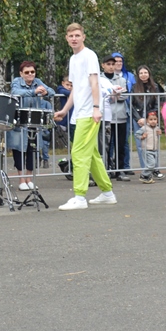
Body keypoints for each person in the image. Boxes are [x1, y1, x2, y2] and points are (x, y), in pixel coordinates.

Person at [53, 23, 116, 210]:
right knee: (92, 155)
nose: (74, 38)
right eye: (71, 35)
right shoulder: (73, 59)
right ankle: (107, 193)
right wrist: (65, 110)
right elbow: (76, 89)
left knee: (78, 153)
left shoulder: (89, 56)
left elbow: (94, 83)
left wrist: (96, 108)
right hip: (78, 113)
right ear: (66, 38)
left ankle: (80, 197)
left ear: (83, 37)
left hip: (89, 113)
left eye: (77, 35)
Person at [7, 61, 55, 191]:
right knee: (18, 149)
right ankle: (21, 179)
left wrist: (45, 92)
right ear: (21, 73)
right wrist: (34, 92)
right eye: (27, 72)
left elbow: (52, 91)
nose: (30, 74)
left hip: (34, 122)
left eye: (32, 72)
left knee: (32, 150)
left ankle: (29, 178)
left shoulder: (38, 81)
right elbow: (15, 92)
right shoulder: (16, 81)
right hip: (19, 121)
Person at [101, 54, 130, 181]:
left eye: (113, 64)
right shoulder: (99, 79)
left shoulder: (121, 79)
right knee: (105, 145)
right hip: (105, 116)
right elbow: (101, 96)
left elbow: (124, 95)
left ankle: (119, 170)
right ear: (103, 65)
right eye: (108, 64)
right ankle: (105, 170)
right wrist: (113, 95)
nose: (111, 67)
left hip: (120, 116)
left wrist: (115, 96)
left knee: (120, 144)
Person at [131, 65, 163, 177]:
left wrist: (150, 118)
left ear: (149, 74)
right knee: (141, 145)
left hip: (151, 119)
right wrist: (138, 118)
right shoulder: (134, 87)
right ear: (138, 75)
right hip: (139, 119)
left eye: (145, 72)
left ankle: (155, 168)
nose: (143, 75)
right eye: (141, 73)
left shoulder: (155, 86)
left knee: (153, 143)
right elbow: (131, 105)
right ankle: (146, 169)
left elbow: (157, 103)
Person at [112, 53, 136, 175]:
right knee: (110, 142)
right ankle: (111, 166)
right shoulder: (106, 77)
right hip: (110, 112)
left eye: (121, 61)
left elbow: (129, 92)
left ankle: (124, 166)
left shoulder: (128, 76)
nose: (118, 63)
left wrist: (118, 95)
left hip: (125, 110)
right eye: (116, 61)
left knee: (124, 141)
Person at [136, 111, 161, 184]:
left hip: (155, 149)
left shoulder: (157, 128)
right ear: (147, 120)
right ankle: (143, 175)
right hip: (147, 149)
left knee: (153, 164)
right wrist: (142, 137)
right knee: (151, 164)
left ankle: (147, 177)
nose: (153, 121)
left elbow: (156, 137)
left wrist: (159, 134)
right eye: (151, 119)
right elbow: (137, 134)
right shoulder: (144, 128)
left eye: (155, 119)